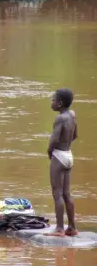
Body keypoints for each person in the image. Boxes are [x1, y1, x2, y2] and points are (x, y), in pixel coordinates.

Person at [44, 88, 78, 237]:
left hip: (59, 156)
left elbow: (54, 139)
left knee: (57, 193)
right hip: (69, 155)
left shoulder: (59, 119)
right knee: (66, 194)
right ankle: (72, 227)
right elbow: (75, 135)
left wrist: (49, 151)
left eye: (53, 100)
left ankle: (59, 229)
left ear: (60, 103)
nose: (52, 102)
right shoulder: (72, 115)